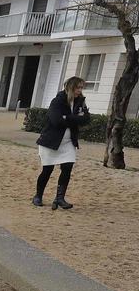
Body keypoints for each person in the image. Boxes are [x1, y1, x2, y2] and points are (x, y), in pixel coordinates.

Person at [33, 76, 91, 210]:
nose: (80, 90)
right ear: (71, 87)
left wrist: (68, 118)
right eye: (78, 87)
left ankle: (59, 198)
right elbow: (56, 120)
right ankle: (38, 196)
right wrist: (75, 119)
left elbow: (86, 119)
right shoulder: (58, 100)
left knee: (67, 168)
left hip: (68, 142)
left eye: (82, 87)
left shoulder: (80, 101)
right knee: (47, 170)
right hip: (51, 141)